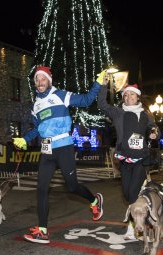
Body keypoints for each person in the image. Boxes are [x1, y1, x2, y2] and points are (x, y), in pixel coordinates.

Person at [13, 66, 106, 244]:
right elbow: (37, 129)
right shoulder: (36, 106)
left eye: (43, 79)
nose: (40, 82)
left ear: (49, 80)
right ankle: (42, 231)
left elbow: (86, 101)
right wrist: (25, 140)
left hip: (64, 147)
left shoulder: (61, 95)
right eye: (37, 80)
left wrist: (97, 84)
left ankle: (94, 201)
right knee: (41, 189)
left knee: (72, 187)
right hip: (46, 151)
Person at [98, 82, 159, 240]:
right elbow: (102, 105)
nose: (128, 97)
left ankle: (134, 227)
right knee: (126, 194)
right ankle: (142, 214)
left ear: (137, 96)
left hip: (140, 158)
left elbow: (154, 128)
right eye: (125, 95)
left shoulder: (145, 114)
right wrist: (103, 86)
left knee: (132, 192)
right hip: (124, 158)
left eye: (132, 94)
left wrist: (154, 133)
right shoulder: (118, 112)